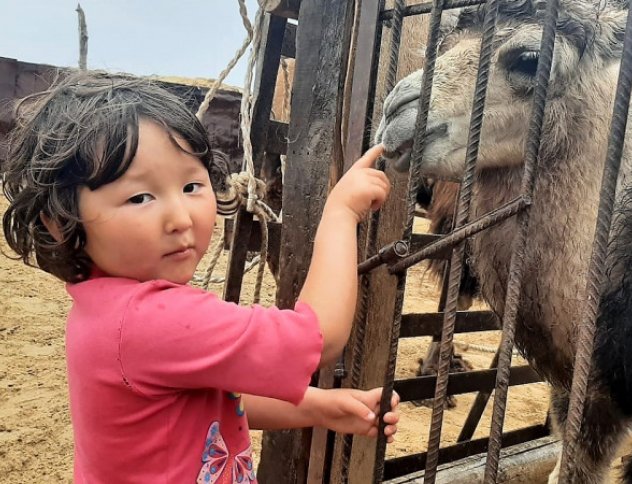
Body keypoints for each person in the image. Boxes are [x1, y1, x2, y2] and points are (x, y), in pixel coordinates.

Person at [1, 72, 399, 483]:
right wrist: (341, 214)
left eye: (192, 185)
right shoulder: (150, 318)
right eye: (139, 197)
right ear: (60, 223)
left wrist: (321, 406)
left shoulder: (106, 307)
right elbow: (319, 338)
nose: (179, 218)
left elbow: (217, 398)